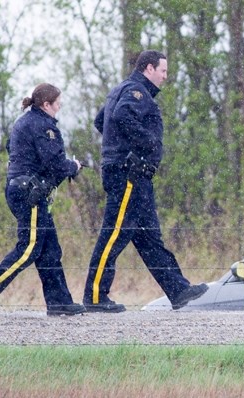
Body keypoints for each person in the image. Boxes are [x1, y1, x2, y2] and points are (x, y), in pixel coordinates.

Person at [82, 50, 208, 312]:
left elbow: (100, 121)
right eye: (163, 70)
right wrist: (146, 143)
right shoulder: (137, 92)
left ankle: (178, 289)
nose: (165, 76)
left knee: (149, 238)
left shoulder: (122, 89)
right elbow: (120, 117)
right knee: (114, 234)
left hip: (136, 176)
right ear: (148, 68)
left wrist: (117, 145)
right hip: (128, 174)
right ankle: (94, 297)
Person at [0, 83, 87, 317]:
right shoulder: (43, 126)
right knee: (29, 248)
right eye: (57, 104)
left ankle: (59, 301)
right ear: (46, 105)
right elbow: (54, 162)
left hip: (24, 190)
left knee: (50, 249)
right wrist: (74, 166)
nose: (59, 108)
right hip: (29, 195)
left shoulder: (25, 121)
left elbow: (11, 147)